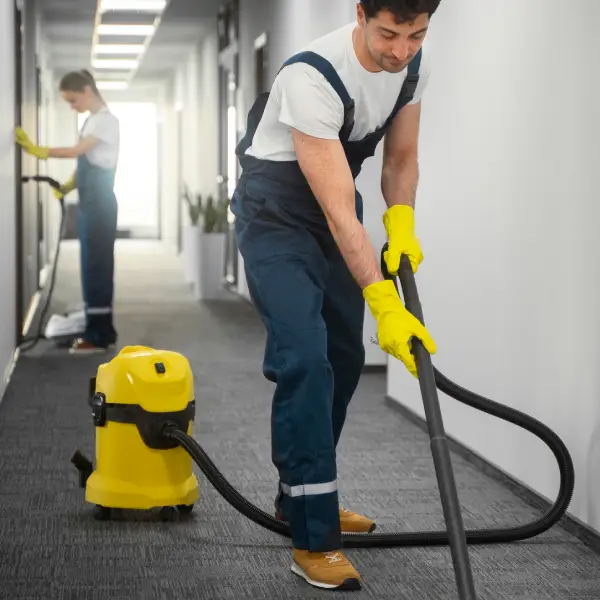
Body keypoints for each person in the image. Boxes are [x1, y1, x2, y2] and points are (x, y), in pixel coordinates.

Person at [231, 0, 441, 591]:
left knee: (345, 357)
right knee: (304, 358)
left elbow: (399, 160)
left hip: (332, 209)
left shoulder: (415, 65)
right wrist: (384, 303)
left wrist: (402, 224)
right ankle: (313, 536)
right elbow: (340, 214)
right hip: (276, 212)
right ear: (360, 13)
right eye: (389, 33)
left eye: (417, 34)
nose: (401, 50)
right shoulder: (310, 76)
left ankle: (298, 497)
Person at [16, 69, 120, 355]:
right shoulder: (92, 121)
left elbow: (78, 151)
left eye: (73, 100)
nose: (72, 106)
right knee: (90, 266)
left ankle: (99, 336)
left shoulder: (106, 121)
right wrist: (66, 186)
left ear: (87, 90)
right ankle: (97, 327)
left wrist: (40, 151)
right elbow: (86, 164)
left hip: (99, 204)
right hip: (90, 201)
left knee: (97, 266)